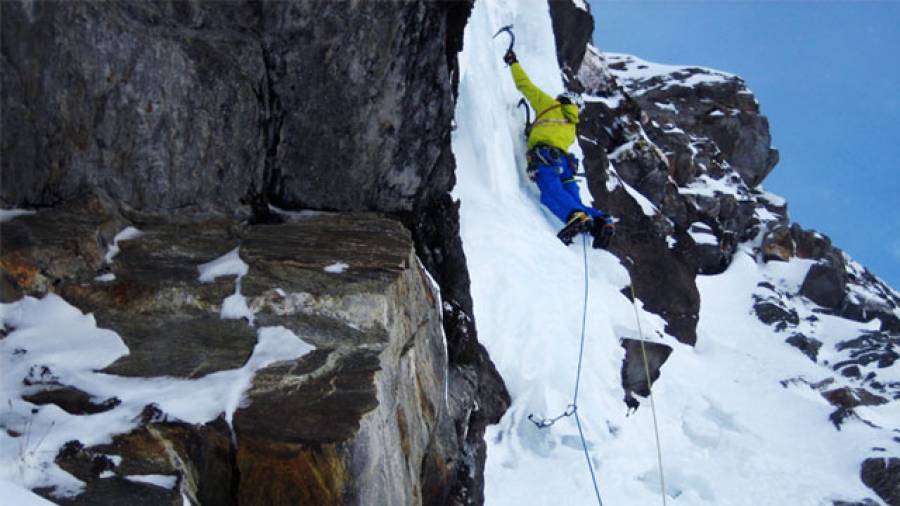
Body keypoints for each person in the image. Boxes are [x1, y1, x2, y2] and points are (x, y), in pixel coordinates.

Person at [504, 48, 614, 249]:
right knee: (572, 196)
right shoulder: (572, 126)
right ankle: (600, 219)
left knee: (551, 192)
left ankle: (575, 217)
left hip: (546, 157)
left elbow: (525, 85)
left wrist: (513, 63)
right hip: (565, 162)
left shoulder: (549, 105)